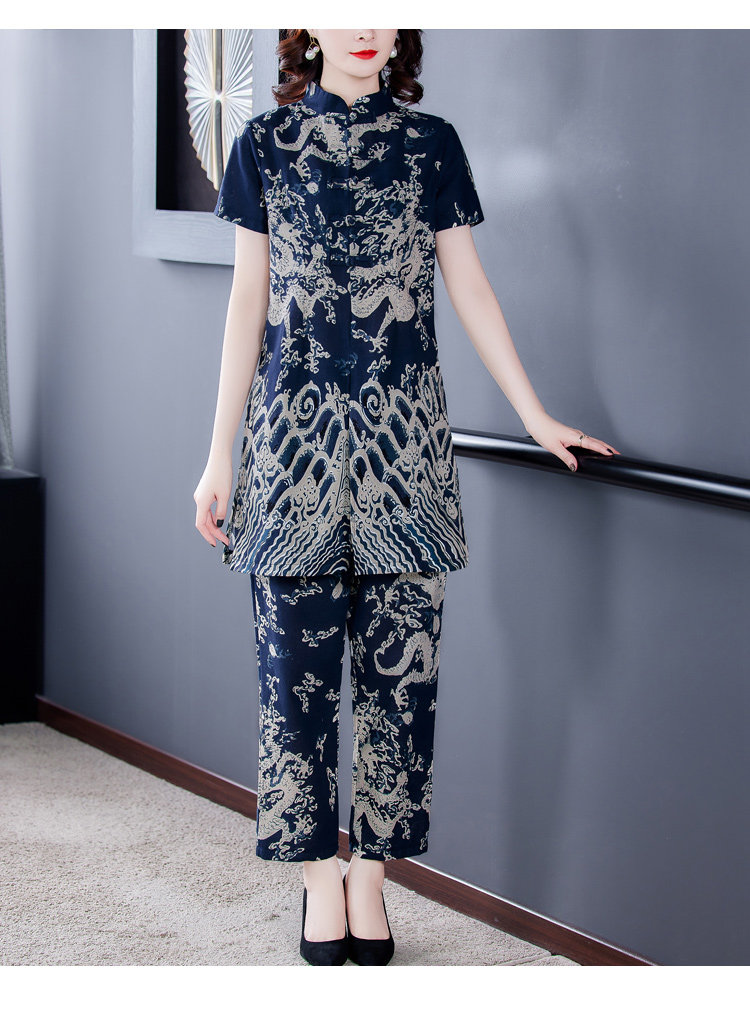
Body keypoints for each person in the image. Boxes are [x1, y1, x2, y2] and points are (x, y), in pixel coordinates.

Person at [193, 28, 619, 966]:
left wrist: (535, 414)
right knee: (293, 687)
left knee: (402, 685)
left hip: (406, 457)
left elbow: (470, 288)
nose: (364, 27)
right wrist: (218, 456)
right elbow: (246, 304)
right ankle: (320, 877)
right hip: (291, 453)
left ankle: (373, 877)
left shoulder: (432, 145)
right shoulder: (264, 145)